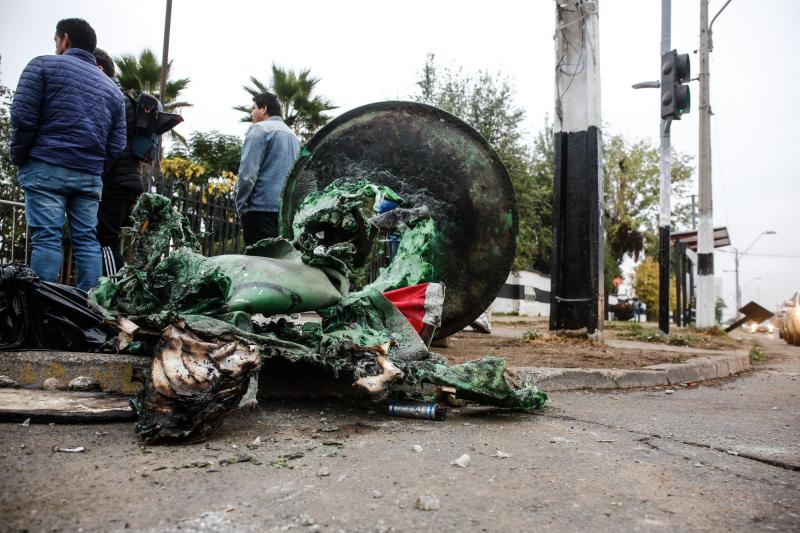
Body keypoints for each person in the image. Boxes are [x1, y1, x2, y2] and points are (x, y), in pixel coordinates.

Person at [10, 18, 126, 292]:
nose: (56, 47)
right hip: (89, 176)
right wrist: (96, 168)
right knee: (87, 240)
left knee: (47, 238)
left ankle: (44, 311)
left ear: (65, 39)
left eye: (56, 42)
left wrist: (20, 156)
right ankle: (87, 309)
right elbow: (117, 143)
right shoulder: (113, 90)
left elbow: (23, 118)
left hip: (46, 166)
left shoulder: (42, 66)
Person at [93, 48, 143, 277]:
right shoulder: (127, 98)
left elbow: (113, 143)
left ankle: (114, 289)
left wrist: (99, 173)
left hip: (115, 179)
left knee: (106, 238)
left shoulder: (113, 97)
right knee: (108, 237)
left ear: (100, 69)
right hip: (128, 178)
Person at [236, 92, 300, 246]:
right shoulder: (293, 137)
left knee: (258, 263)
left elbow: (247, 174)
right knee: (281, 266)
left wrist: (241, 205)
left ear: (263, 109)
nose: (252, 113)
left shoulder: (260, 129)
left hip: (259, 210)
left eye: (253, 108)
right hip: (286, 214)